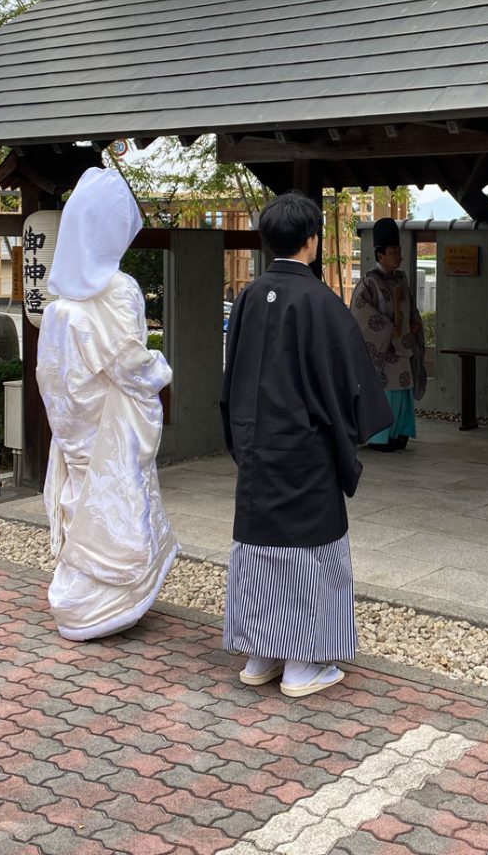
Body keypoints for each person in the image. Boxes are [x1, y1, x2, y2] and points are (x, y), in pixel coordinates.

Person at [220, 192, 392, 698]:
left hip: (257, 447)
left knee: (259, 549)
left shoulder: (250, 296)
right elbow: (347, 381)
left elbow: (234, 376)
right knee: (310, 554)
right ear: (312, 242)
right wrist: (353, 428)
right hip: (307, 450)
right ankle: (301, 664)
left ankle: (260, 654)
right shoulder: (320, 301)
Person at [36, 166, 178, 641]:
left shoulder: (57, 303)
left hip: (72, 428)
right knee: (116, 501)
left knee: (81, 498)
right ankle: (110, 603)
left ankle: (75, 595)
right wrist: (163, 373)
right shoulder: (117, 290)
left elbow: (50, 378)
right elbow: (130, 363)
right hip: (109, 426)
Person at [350, 218, 427, 452]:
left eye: (399, 251)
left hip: (402, 347)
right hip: (384, 352)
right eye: (393, 251)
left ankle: (399, 434)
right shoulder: (368, 283)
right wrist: (386, 328)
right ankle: (379, 437)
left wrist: (414, 323)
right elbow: (360, 313)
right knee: (388, 394)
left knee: (402, 394)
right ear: (380, 254)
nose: (398, 256)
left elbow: (410, 308)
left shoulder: (401, 278)